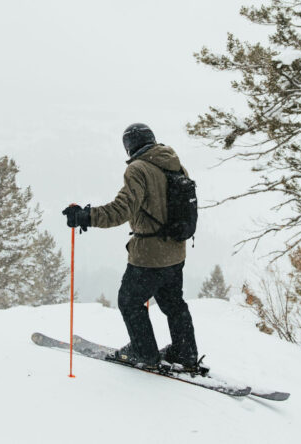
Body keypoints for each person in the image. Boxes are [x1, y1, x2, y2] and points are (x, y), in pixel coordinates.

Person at [62, 123, 200, 371]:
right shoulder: (175, 164)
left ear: (128, 146)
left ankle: (143, 351)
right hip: (176, 252)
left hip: (149, 255)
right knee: (174, 304)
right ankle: (185, 353)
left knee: (129, 301)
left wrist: (85, 216)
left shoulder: (138, 169)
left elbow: (120, 210)